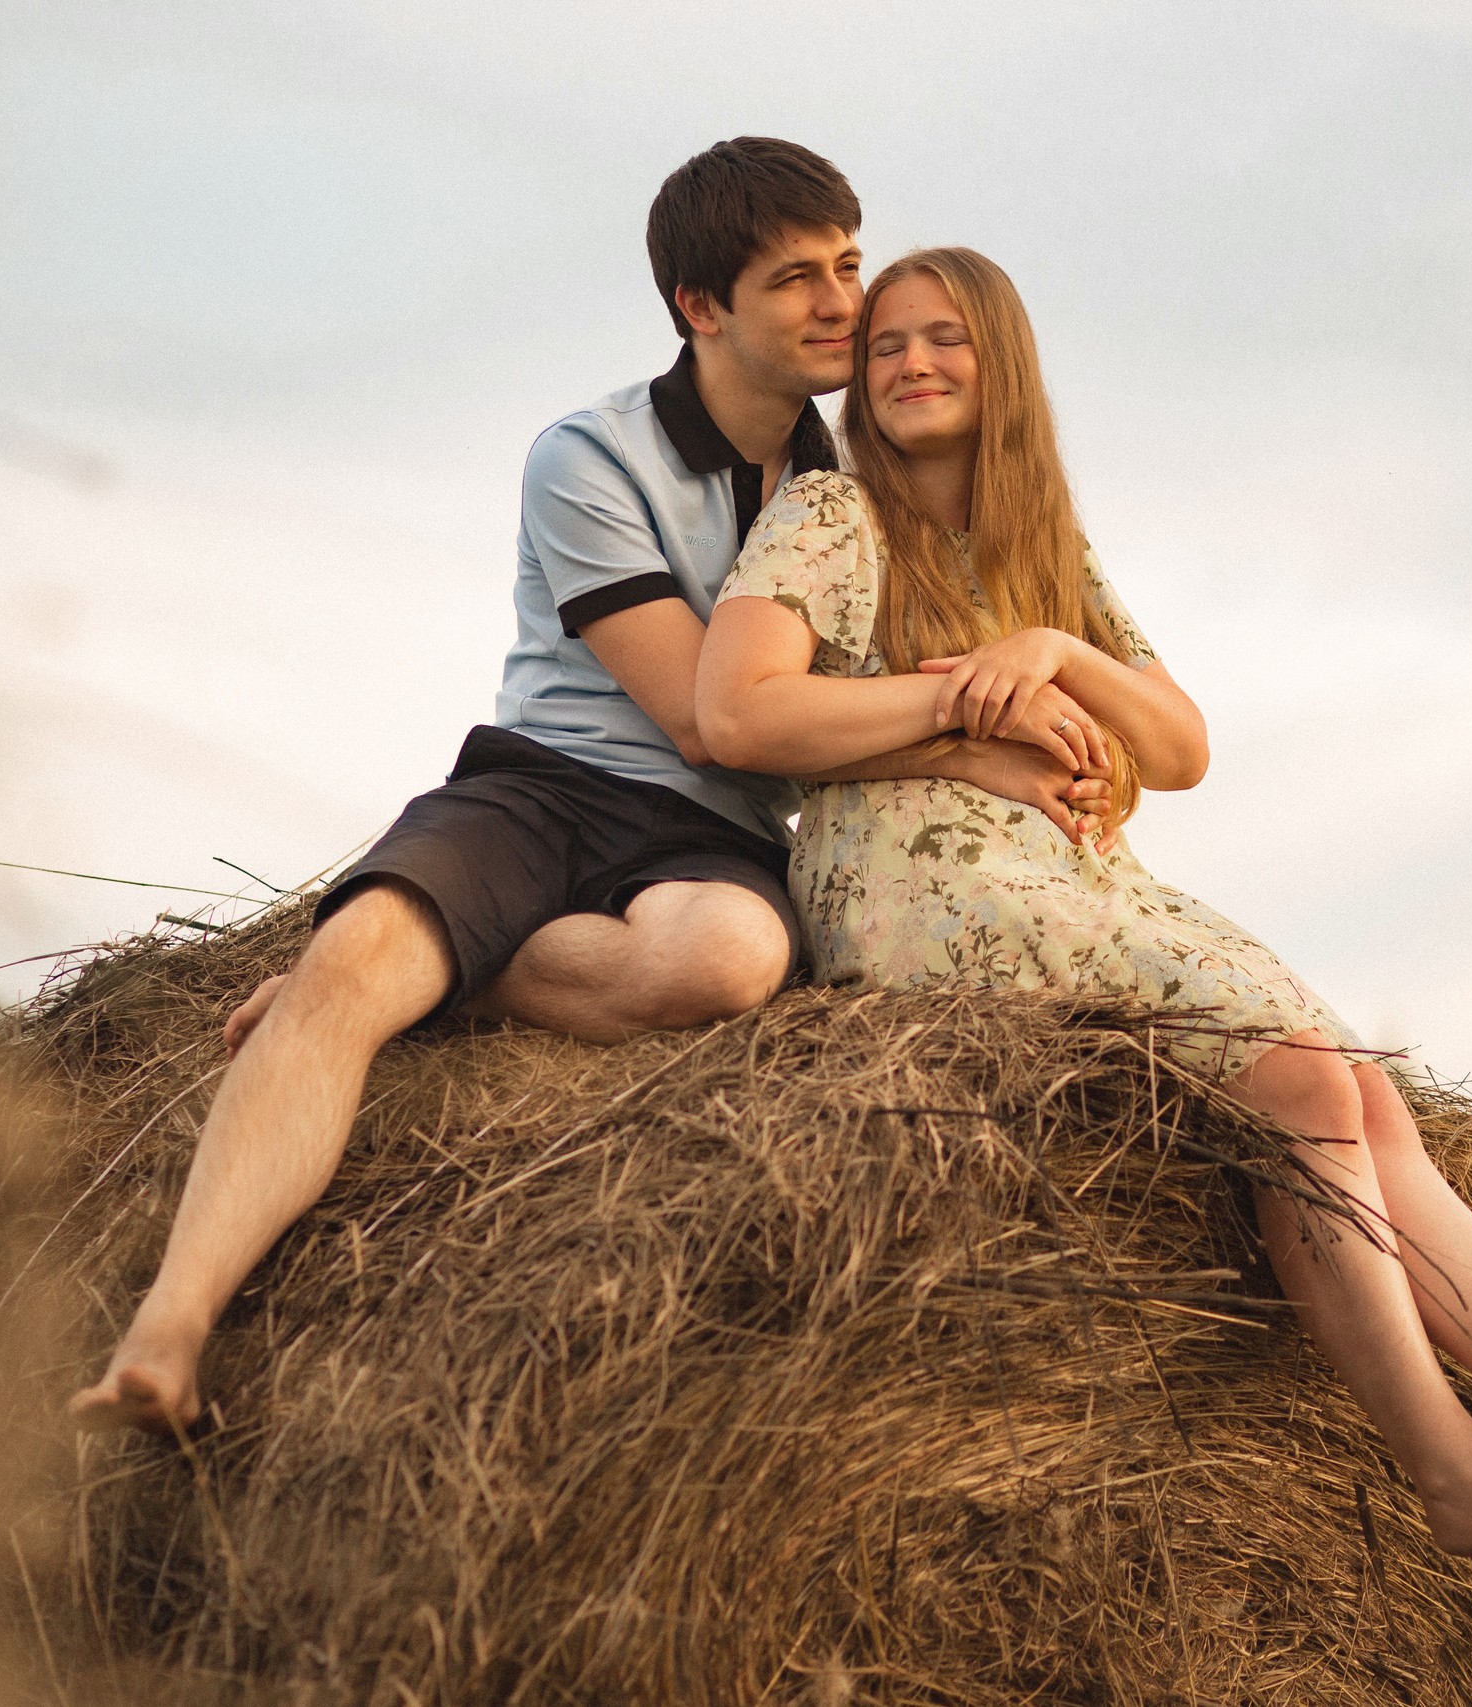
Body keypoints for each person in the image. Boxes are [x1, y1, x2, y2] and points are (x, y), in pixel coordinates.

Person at [693, 246, 1472, 1556]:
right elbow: (737, 710)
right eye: (887, 343)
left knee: (1341, 1085)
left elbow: (1181, 749)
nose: (909, 362)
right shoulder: (832, 519)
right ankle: (1451, 1465)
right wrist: (964, 708)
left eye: (944, 338)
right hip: (921, 878)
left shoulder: (1042, 551)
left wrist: (1058, 648)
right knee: (1306, 1082)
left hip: (1069, 872)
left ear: (1000, 360)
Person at [68, 144, 1107, 1436]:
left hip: (712, 840)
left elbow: (755, 758)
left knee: (728, 960)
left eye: (848, 263)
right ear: (701, 309)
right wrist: (959, 734)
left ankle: (441, 979)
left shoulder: (860, 487)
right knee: (352, 971)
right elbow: (707, 717)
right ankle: (165, 1336)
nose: (847, 302)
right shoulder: (588, 457)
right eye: (798, 279)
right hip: (544, 789)